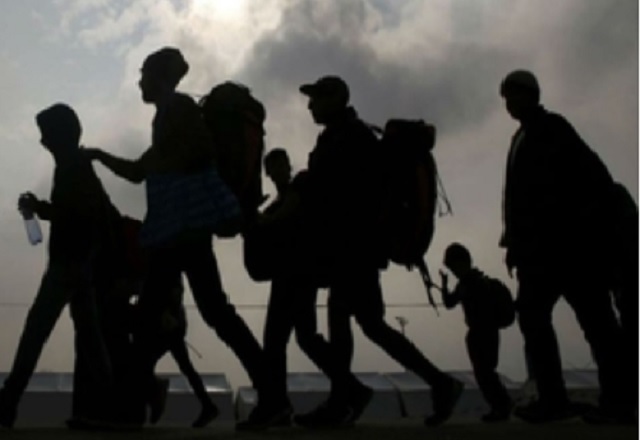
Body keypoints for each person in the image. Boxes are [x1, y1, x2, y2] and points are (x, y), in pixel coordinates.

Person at [83, 47, 283, 429]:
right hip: (175, 234)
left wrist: (164, 161)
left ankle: (128, 413)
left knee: (193, 316)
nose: (139, 82)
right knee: (191, 316)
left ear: (159, 76)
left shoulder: (179, 108)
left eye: (143, 74)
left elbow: (200, 151)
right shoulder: (166, 116)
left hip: (183, 232)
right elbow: (137, 172)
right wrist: (98, 156)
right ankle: (129, 412)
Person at [293, 75, 464, 428]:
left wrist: (308, 184)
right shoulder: (343, 135)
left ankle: (344, 399)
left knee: (346, 317)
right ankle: (437, 383)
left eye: (316, 98)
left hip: (354, 247)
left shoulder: (351, 137)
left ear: (336, 98)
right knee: (369, 324)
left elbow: (347, 194)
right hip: (354, 247)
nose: (310, 105)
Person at [499, 70, 633, 424]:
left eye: (514, 95)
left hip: (569, 250)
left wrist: (579, 231)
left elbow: (593, 181)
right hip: (541, 252)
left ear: (531, 95)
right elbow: (518, 200)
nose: (509, 104)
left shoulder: (553, 129)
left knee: (596, 323)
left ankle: (618, 400)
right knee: (541, 319)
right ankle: (556, 399)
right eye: (507, 98)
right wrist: (514, 242)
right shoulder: (523, 137)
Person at [0, 104, 119, 428]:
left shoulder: (72, 168)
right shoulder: (75, 165)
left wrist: (39, 207)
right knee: (90, 338)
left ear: (59, 135)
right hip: (81, 264)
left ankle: (8, 402)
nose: (43, 141)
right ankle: (111, 405)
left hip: (68, 264)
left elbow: (74, 214)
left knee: (36, 331)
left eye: (46, 134)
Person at [438, 243, 513, 422]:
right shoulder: (475, 282)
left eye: (453, 267)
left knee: (484, 373)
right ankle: (501, 405)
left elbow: (450, 303)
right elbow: (450, 302)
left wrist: (445, 287)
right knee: (486, 372)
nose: (453, 271)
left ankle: (501, 406)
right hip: (487, 332)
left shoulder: (470, 284)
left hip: (481, 333)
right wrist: (445, 285)